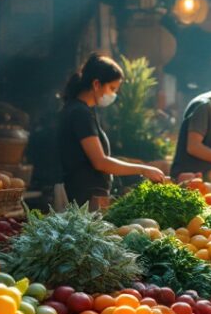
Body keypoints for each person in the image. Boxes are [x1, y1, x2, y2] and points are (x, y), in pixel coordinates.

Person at [58, 53, 165, 209]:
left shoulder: (83, 110)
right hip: (83, 198)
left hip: (86, 195)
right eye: (112, 88)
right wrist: (143, 169)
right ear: (96, 84)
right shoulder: (80, 113)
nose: (113, 95)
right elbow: (100, 162)